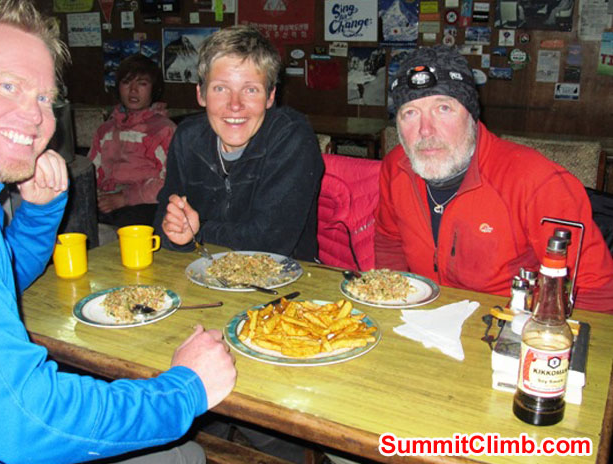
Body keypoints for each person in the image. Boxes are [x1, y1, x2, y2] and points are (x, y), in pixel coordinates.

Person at [0, 0, 236, 464]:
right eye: (8, 85)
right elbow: (22, 421)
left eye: (44, 98)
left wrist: (39, 214)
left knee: (180, 454)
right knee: (182, 460)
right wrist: (185, 387)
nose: (36, 116)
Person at [375, 45, 613, 313]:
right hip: (420, 325)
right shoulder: (396, 166)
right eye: (410, 113)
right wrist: (393, 305)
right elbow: (389, 240)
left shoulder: (536, 181)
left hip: (507, 331)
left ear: (472, 115)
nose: (426, 130)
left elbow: (596, 294)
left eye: (443, 108)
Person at [154, 25, 323, 261]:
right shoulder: (187, 138)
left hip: (283, 281)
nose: (235, 104)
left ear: (270, 97)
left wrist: (198, 231)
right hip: (203, 271)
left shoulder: (292, 138)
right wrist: (178, 234)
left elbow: (269, 243)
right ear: (201, 95)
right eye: (220, 88)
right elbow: (163, 221)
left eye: (251, 90)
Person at [88, 54, 176, 227]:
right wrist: (94, 195)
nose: (133, 90)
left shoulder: (164, 130)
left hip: (145, 204)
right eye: (127, 82)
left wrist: (125, 198)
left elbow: (171, 181)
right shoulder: (105, 130)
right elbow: (92, 171)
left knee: (128, 223)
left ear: (154, 90)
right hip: (107, 201)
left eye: (142, 84)